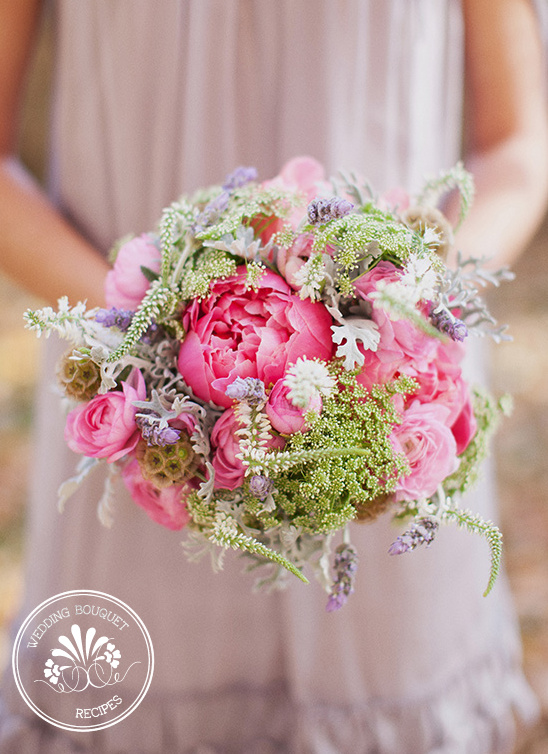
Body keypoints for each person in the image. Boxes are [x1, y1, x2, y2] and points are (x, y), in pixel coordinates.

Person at [0, 1, 547, 752]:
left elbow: (520, 143)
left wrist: (411, 312)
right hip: (143, 445)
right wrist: (154, 335)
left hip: (381, 434)